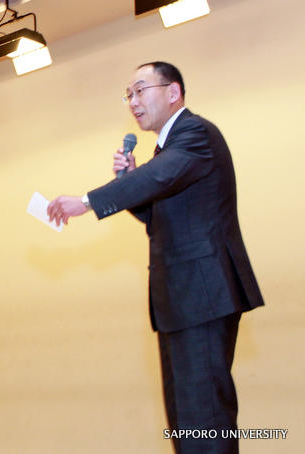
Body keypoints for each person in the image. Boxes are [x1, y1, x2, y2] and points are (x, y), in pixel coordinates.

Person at [47, 62, 264, 454]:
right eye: (128, 94)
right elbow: (156, 215)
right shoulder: (169, 150)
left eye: (140, 90)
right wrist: (129, 180)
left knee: (205, 423)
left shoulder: (195, 133)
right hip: (181, 303)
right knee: (185, 425)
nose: (133, 101)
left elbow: (158, 178)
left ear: (173, 92)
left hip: (203, 299)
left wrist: (86, 202)